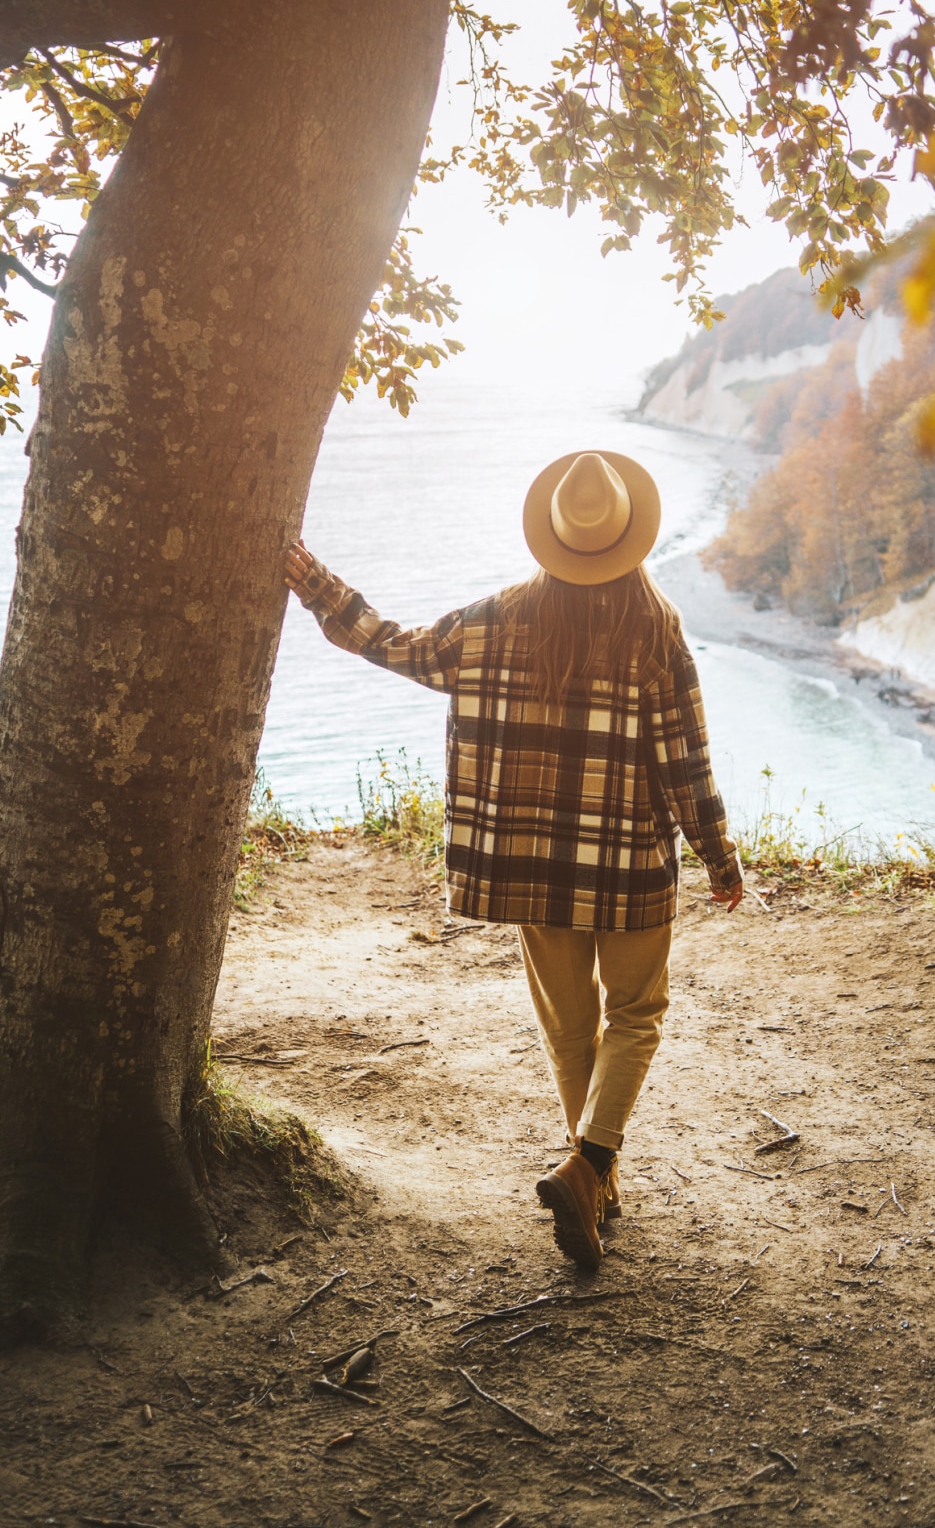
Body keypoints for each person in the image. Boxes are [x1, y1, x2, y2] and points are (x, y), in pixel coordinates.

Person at [284, 449, 743, 1268]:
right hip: (629, 868)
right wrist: (719, 855)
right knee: (635, 1014)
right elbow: (685, 763)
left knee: (570, 1028)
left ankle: (592, 1176)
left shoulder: (491, 620)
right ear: (629, 536)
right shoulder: (655, 627)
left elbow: (390, 644)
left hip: (534, 868)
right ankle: (591, 1167)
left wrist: (316, 583)